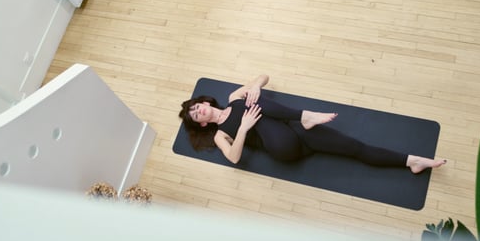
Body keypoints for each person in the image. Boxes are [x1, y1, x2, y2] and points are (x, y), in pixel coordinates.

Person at [179, 75, 446, 174]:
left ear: (204, 101)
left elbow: (264, 76)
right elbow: (234, 158)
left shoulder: (233, 98)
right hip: (282, 146)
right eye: (196, 115)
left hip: (295, 130)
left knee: (356, 148)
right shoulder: (220, 135)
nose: (198, 110)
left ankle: (412, 161)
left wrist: (257, 86)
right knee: (251, 108)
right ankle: (305, 115)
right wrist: (244, 128)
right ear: (202, 124)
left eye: (196, 106)